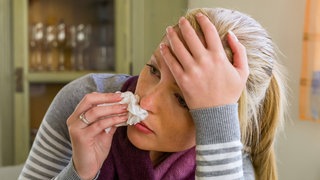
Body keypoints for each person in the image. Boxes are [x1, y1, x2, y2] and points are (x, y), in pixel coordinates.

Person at [19, 7, 287, 180]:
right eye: (153, 70)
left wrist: (216, 121)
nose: (145, 101)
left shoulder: (228, 159)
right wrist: (79, 173)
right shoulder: (84, 103)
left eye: (183, 99)